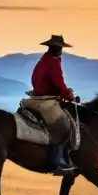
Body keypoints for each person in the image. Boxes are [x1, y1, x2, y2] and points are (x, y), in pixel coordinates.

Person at [28, 34, 78, 172]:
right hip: (46, 98)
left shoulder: (46, 59)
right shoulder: (53, 61)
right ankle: (58, 160)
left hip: (40, 95)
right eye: (58, 47)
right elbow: (59, 82)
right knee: (63, 126)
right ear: (55, 48)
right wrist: (69, 96)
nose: (60, 50)